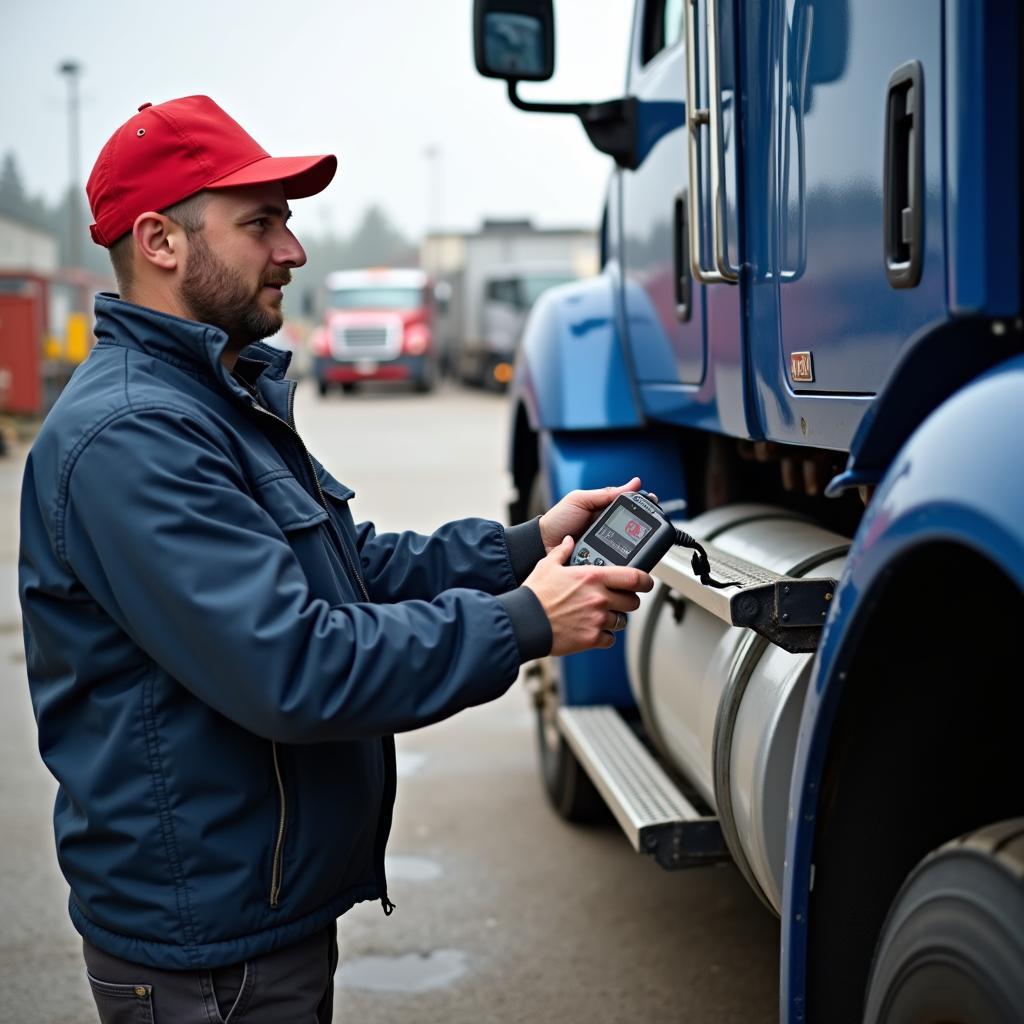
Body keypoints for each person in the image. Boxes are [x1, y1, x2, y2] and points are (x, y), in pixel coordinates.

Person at [18, 95, 653, 1023]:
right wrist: (527, 621)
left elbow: (349, 566)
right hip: (206, 956)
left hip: (250, 914)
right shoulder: (134, 434)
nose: (294, 250)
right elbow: (295, 667)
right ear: (159, 240)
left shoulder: (209, 397)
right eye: (261, 222)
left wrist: (527, 547)